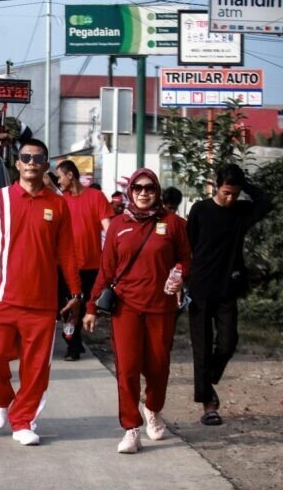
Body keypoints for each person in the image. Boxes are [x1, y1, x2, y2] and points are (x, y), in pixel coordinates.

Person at [0, 138, 82, 446]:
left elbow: (66, 251)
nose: (32, 162)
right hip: (1, 297)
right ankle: (2, 398)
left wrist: (76, 292)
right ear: (17, 163)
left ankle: (23, 422)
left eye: (38, 158)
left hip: (42, 302)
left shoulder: (58, 204)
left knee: (35, 369)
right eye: (26, 157)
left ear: (46, 165)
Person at [83, 168, 191, 454]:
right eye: (138, 188)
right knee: (127, 369)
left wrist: (180, 272)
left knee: (157, 368)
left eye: (149, 188)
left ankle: (153, 410)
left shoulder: (174, 224)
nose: (143, 193)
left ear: (157, 192)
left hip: (161, 309)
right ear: (130, 191)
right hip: (126, 308)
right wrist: (91, 306)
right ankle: (131, 428)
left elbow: (186, 258)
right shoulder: (118, 225)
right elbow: (106, 269)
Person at [186, 164, 272, 427]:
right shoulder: (200, 210)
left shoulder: (241, 212)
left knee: (228, 342)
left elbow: (266, 202)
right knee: (201, 348)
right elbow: (188, 244)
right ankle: (209, 405)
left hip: (227, 289)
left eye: (234, 193)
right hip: (200, 289)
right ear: (215, 186)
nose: (230, 198)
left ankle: (209, 376)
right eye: (226, 192)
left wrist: (243, 184)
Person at [55, 160, 114, 361]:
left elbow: (109, 228)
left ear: (70, 175)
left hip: (91, 266)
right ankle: (72, 344)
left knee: (85, 306)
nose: (58, 181)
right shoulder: (61, 200)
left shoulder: (96, 197)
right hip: (66, 266)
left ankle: (75, 341)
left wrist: (115, 253)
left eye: (60, 176)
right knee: (69, 307)